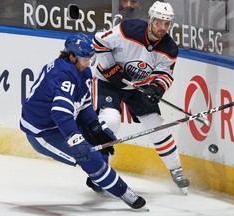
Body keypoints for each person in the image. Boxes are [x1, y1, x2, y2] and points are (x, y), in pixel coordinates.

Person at [20, 33, 146, 209]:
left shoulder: (82, 70)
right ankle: (124, 192)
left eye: (90, 59)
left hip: (63, 120)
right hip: (43, 132)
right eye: (84, 59)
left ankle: (99, 183)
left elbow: (84, 105)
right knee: (87, 154)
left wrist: (95, 128)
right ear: (71, 57)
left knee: (103, 137)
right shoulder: (62, 74)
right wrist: (74, 138)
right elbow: (60, 113)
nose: (88, 63)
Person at [91, 1, 190, 192]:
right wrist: (111, 69)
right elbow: (99, 41)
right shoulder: (129, 29)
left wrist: (157, 88)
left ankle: (176, 169)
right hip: (108, 81)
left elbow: (165, 74)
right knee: (110, 121)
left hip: (137, 86)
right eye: (159, 22)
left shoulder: (169, 48)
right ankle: (100, 171)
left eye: (166, 24)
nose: (162, 28)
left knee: (158, 125)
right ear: (151, 20)